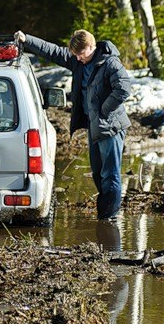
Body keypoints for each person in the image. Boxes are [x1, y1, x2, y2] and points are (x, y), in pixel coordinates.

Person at [15, 29, 132, 220]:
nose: (77, 58)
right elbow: (51, 50)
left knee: (110, 175)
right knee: (97, 173)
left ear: (91, 47)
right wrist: (27, 39)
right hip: (95, 126)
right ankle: (104, 213)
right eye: (75, 55)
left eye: (80, 54)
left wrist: (104, 109)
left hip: (110, 126)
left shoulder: (110, 62)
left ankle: (108, 218)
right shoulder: (78, 62)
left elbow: (124, 89)